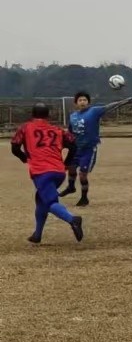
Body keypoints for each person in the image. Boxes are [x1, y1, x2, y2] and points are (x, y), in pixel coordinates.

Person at [11, 104, 83, 245]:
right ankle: (37, 235)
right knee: (41, 200)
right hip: (58, 171)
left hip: (41, 171)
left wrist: (25, 157)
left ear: (32, 114)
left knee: (50, 202)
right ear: (48, 116)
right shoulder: (57, 130)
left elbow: (15, 147)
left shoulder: (25, 128)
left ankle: (73, 220)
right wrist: (67, 162)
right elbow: (73, 144)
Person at [62, 90, 132, 205]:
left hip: (89, 149)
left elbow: (108, 107)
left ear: (88, 102)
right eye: (80, 100)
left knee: (82, 174)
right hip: (76, 149)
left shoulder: (94, 111)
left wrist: (124, 102)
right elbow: (70, 133)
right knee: (70, 168)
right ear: (76, 103)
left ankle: (84, 198)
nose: (83, 102)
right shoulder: (73, 116)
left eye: (85, 100)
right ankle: (71, 187)